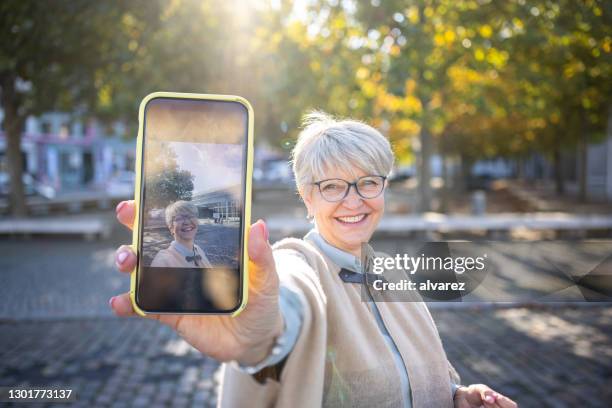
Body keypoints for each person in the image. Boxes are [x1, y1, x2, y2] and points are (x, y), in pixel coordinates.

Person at [111, 112, 518, 408]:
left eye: (368, 183)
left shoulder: (392, 274)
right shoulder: (300, 263)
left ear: (384, 188)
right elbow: (288, 300)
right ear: (307, 197)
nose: (354, 200)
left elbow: (420, 379)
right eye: (332, 186)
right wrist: (261, 326)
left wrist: (458, 397)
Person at [150, 200, 212, 268]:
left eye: (191, 216)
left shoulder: (198, 249)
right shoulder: (163, 261)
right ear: (171, 228)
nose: (187, 222)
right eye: (179, 218)